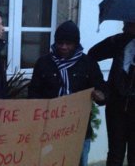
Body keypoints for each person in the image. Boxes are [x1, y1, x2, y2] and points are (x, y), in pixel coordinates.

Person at [28, 20, 107, 166]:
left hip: (79, 129)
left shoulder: (88, 64)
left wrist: (100, 95)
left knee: (78, 162)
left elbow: (102, 91)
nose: (63, 47)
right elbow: (33, 93)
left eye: (68, 43)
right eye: (60, 43)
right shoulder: (44, 63)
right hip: (49, 129)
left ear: (76, 44)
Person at [88, 22, 135, 166]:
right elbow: (92, 54)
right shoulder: (119, 41)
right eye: (125, 24)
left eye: (129, 24)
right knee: (115, 153)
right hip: (116, 106)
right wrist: (102, 87)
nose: (123, 27)